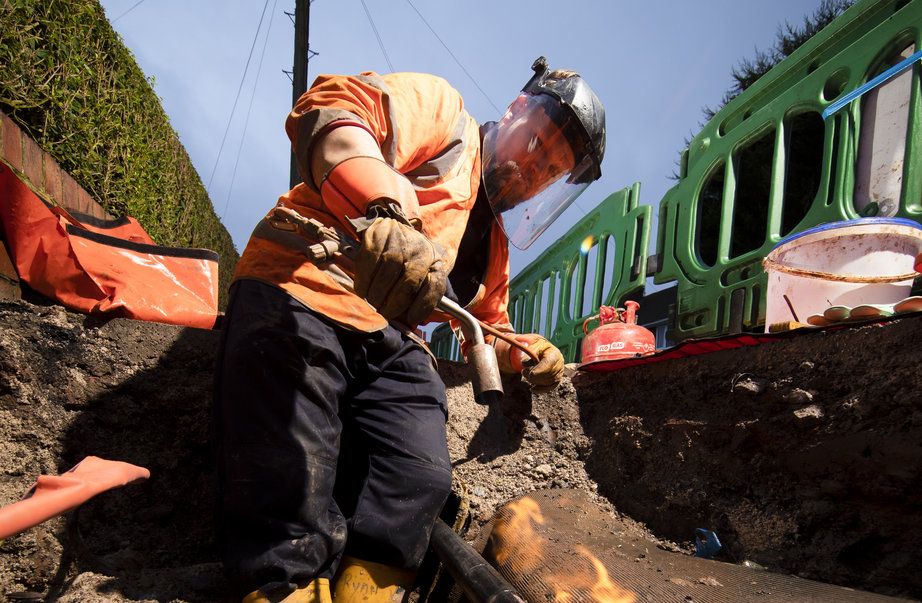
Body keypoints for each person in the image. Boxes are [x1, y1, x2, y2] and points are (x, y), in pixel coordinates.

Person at [214, 56, 606, 603]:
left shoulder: (492, 247)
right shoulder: (445, 117)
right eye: (537, 144)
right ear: (517, 109)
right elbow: (334, 107)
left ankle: (368, 591)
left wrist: (531, 352)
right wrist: (384, 209)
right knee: (290, 469)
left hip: (390, 339)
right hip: (304, 286)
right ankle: (285, 584)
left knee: (420, 477)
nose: (532, 169)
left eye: (549, 170)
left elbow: (488, 324)